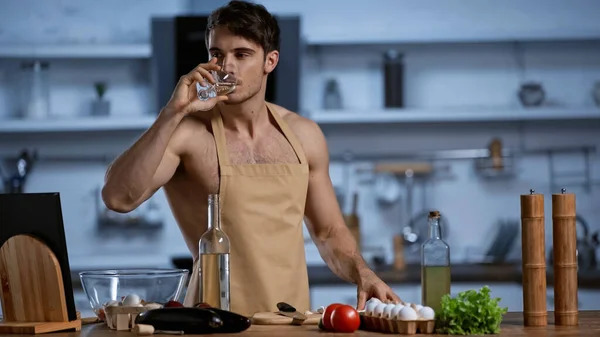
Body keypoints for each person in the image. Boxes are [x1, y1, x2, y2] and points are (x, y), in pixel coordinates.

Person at [101, 0, 400, 317]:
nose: (226, 66)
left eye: (241, 55)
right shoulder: (186, 134)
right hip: (211, 323)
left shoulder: (304, 135)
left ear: (270, 61)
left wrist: (362, 271)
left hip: (290, 321)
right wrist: (171, 113)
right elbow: (118, 198)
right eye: (217, 54)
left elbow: (328, 233)